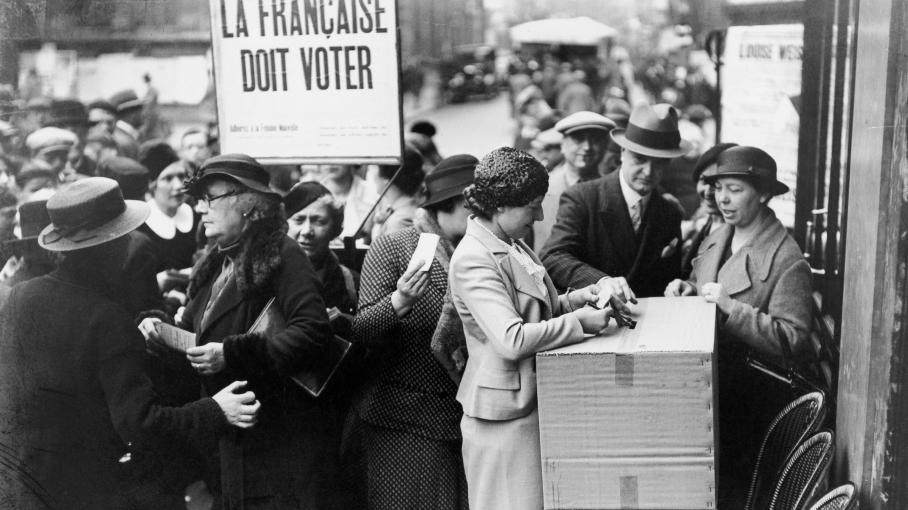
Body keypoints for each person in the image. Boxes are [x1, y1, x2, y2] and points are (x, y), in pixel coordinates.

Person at [0, 177, 258, 509]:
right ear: (113, 245)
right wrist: (215, 409)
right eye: (124, 236)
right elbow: (141, 424)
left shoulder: (22, 296)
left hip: (22, 481)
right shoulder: (106, 318)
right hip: (86, 488)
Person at [139, 153, 340, 509]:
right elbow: (193, 333)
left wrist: (230, 353)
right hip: (230, 442)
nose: (200, 208)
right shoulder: (215, 260)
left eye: (210, 198)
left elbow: (313, 331)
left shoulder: (283, 253)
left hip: (277, 442)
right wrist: (160, 330)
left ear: (248, 205)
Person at [449, 147, 612, 510]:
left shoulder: (513, 243)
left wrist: (578, 299)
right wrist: (579, 323)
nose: (539, 215)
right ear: (500, 205)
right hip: (502, 417)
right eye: (532, 206)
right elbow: (512, 338)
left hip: (532, 404)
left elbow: (539, 310)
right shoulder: (473, 258)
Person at [663, 146, 811, 507]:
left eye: (735, 189)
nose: (722, 199)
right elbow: (705, 286)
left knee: (732, 493)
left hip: (749, 405)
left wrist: (732, 310)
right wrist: (688, 289)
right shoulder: (720, 236)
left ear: (762, 194)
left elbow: (793, 339)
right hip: (706, 388)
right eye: (719, 188)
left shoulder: (787, 259)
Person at [351, 154, 479, 510]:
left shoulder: (482, 252)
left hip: (463, 415)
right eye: (473, 210)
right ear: (448, 204)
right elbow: (362, 328)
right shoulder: (395, 246)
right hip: (403, 418)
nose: (480, 218)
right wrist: (399, 300)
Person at [541, 103, 692, 300]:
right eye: (639, 159)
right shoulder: (583, 197)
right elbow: (553, 257)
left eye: (659, 164)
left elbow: (667, 279)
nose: (648, 172)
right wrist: (601, 282)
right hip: (594, 320)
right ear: (622, 152)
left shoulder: (669, 212)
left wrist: (681, 285)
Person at [532, 111, 615, 252]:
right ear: (563, 144)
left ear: (604, 146)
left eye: (595, 140)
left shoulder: (612, 190)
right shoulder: (540, 188)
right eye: (578, 139)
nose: (587, 147)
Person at [284, 181, 359, 319]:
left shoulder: (351, 283)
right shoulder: (266, 278)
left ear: (335, 228)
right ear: (284, 225)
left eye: (318, 221)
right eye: (298, 220)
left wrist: (346, 322)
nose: (307, 231)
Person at [681, 143, 737, 279]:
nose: (708, 192)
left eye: (716, 184)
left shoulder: (738, 232)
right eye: (704, 181)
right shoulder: (703, 218)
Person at [137, 159, 198, 274]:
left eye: (181, 176)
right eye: (168, 178)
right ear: (152, 185)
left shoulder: (196, 215)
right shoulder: (142, 225)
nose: (179, 185)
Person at [371, 146, 425, 241]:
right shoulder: (400, 211)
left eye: (374, 167)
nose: (371, 173)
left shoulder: (400, 221)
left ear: (386, 179)